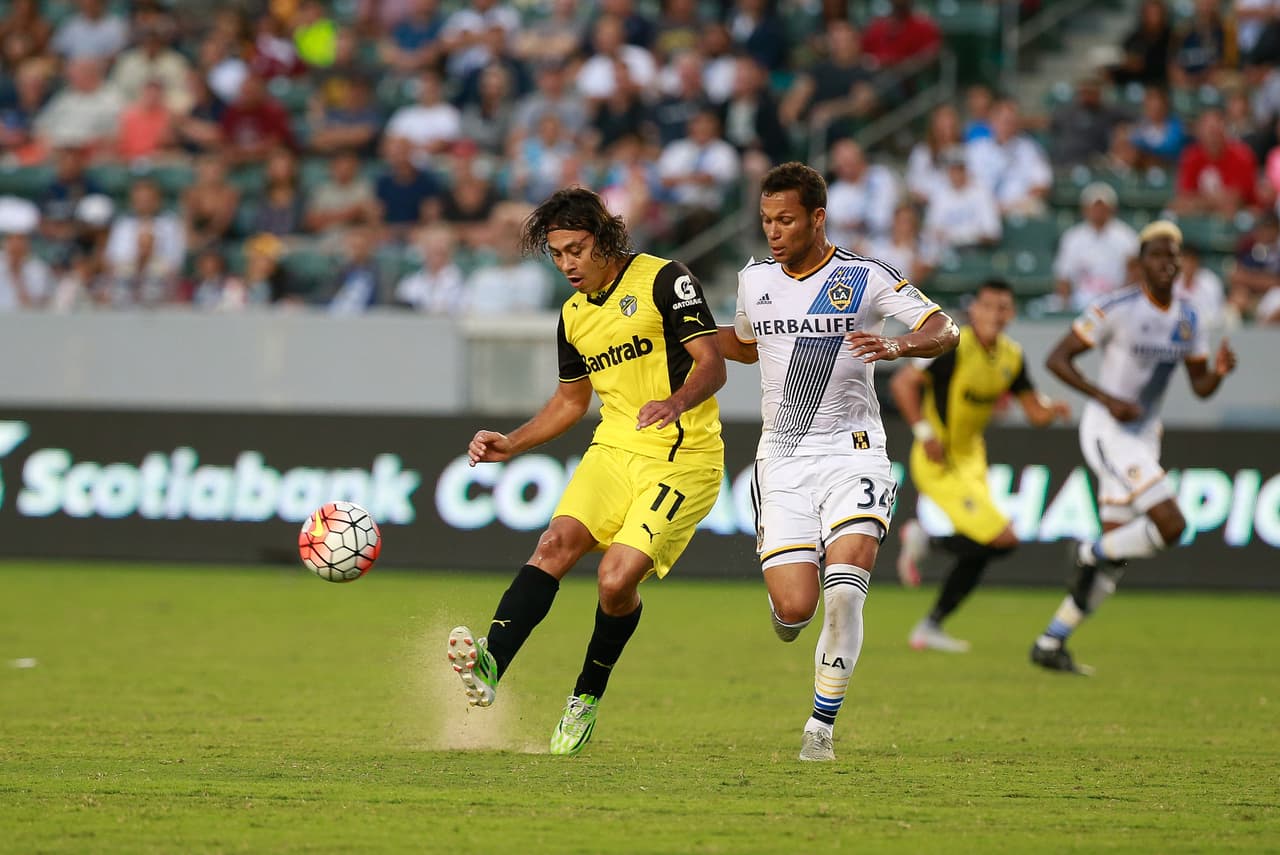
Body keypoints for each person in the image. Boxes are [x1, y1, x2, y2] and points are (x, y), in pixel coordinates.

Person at [447, 187, 726, 757]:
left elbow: (712, 364)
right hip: (612, 451)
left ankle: (586, 696)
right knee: (554, 543)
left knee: (616, 581)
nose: (568, 264)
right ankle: (492, 662)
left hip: (683, 456)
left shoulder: (664, 280)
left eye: (576, 249)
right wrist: (513, 443)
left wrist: (676, 402)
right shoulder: (573, 315)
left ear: (604, 239)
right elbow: (571, 403)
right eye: (557, 254)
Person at [717, 162, 959, 761]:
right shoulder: (754, 281)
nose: (773, 231)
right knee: (796, 606)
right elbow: (748, 345)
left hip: (854, 454)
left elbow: (944, 328)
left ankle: (820, 727)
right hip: (782, 457)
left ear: (817, 217)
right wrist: (685, 332)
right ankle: (788, 611)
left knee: (846, 591)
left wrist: (899, 344)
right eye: (767, 220)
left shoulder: (864, 276)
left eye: (786, 220)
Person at [1030, 221, 1237, 675]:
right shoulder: (1115, 308)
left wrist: (1218, 372)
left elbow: (1200, 386)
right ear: (1141, 263)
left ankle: (1051, 641)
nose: (1168, 263)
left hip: (1144, 436)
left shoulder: (1189, 316)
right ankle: (1090, 550)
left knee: (1117, 558)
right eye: (1158, 255)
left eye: (1174, 256)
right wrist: (1106, 398)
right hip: (1108, 431)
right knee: (1172, 524)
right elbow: (1056, 358)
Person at [890, 280, 1072, 652]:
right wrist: (925, 433)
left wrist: (1052, 409)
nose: (995, 314)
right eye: (988, 306)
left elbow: (1035, 413)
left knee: (990, 544)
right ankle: (926, 552)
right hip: (937, 459)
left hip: (973, 460)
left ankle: (930, 623)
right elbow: (902, 385)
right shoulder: (951, 345)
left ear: (1012, 313)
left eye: (1003, 307)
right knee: (1001, 539)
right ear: (975, 310)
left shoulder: (1012, 356)